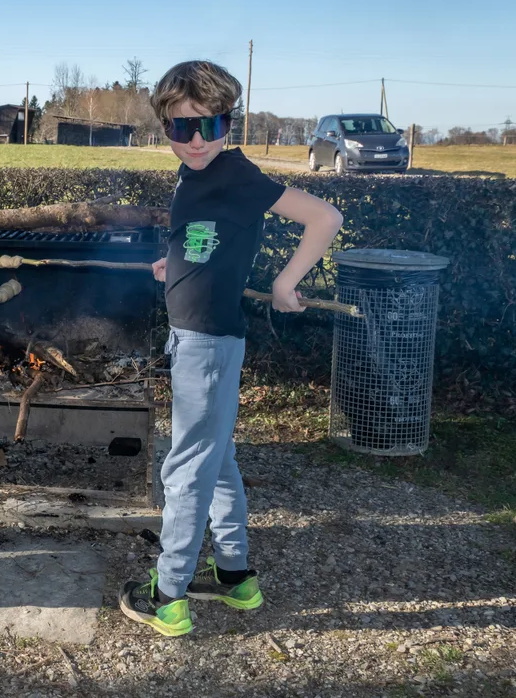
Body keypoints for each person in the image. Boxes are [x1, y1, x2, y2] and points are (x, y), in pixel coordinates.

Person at [118, 60, 344, 636]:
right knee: (215, 460)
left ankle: (167, 593)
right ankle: (233, 574)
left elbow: (324, 217)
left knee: (187, 466)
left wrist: (286, 283)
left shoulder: (238, 174)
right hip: (195, 336)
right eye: (178, 128)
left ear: (228, 123)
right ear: (164, 128)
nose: (194, 141)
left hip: (208, 344)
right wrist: (175, 266)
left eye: (207, 126)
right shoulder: (196, 175)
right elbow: (207, 237)